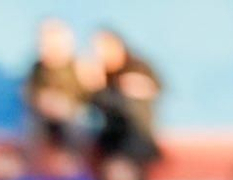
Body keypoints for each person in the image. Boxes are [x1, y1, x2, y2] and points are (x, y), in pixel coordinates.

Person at [89, 27, 161, 167]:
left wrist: (137, 86)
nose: (101, 55)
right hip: (109, 136)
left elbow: (156, 89)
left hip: (135, 137)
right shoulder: (101, 73)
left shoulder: (136, 67)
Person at [24, 18, 92, 150]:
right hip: (44, 119)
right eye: (45, 41)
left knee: (80, 123)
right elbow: (29, 94)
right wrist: (43, 102)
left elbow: (89, 97)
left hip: (73, 118)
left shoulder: (79, 66)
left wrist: (66, 106)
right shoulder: (37, 68)